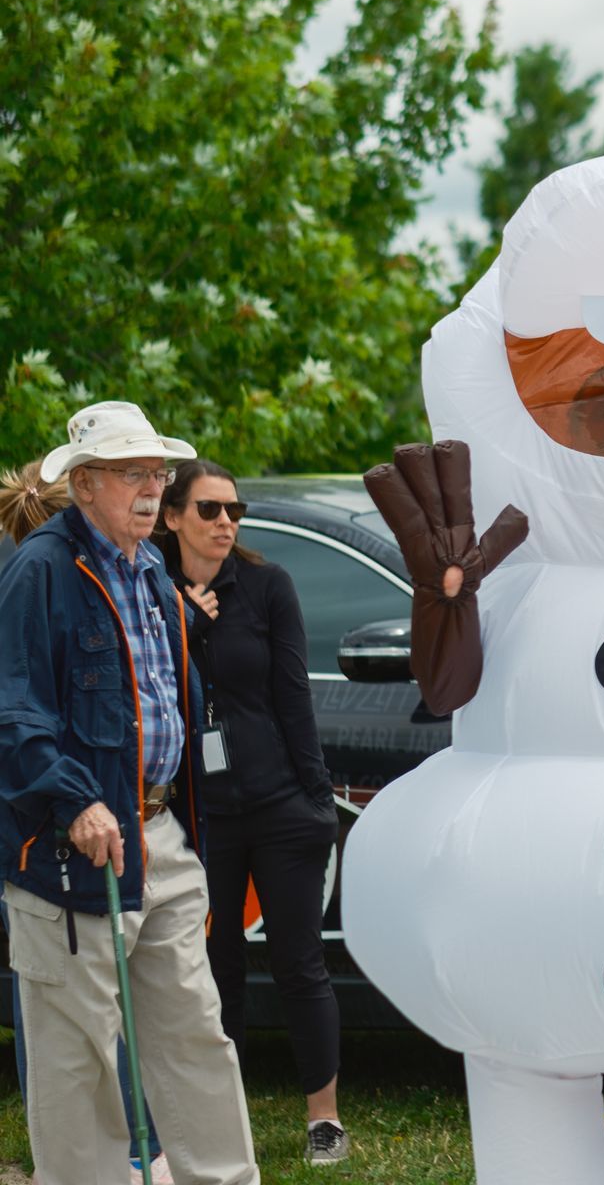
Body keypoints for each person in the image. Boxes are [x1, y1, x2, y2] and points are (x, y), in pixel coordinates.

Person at [0, 401, 258, 1185]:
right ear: (83, 486)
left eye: (156, 472)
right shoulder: (41, 571)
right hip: (70, 852)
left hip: (160, 835)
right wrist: (74, 800)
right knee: (79, 1059)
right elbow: (13, 712)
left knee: (195, 1036)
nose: (153, 489)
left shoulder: (148, 566)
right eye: (130, 473)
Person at [156, 459, 350, 1165]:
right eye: (209, 510)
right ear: (172, 516)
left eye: (233, 510)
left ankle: (323, 1119)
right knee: (212, 967)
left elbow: (294, 696)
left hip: (277, 805)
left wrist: (313, 799)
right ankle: (218, 1117)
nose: (225, 523)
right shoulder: (151, 592)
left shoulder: (266, 587)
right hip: (196, 815)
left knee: (300, 964)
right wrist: (180, 620)